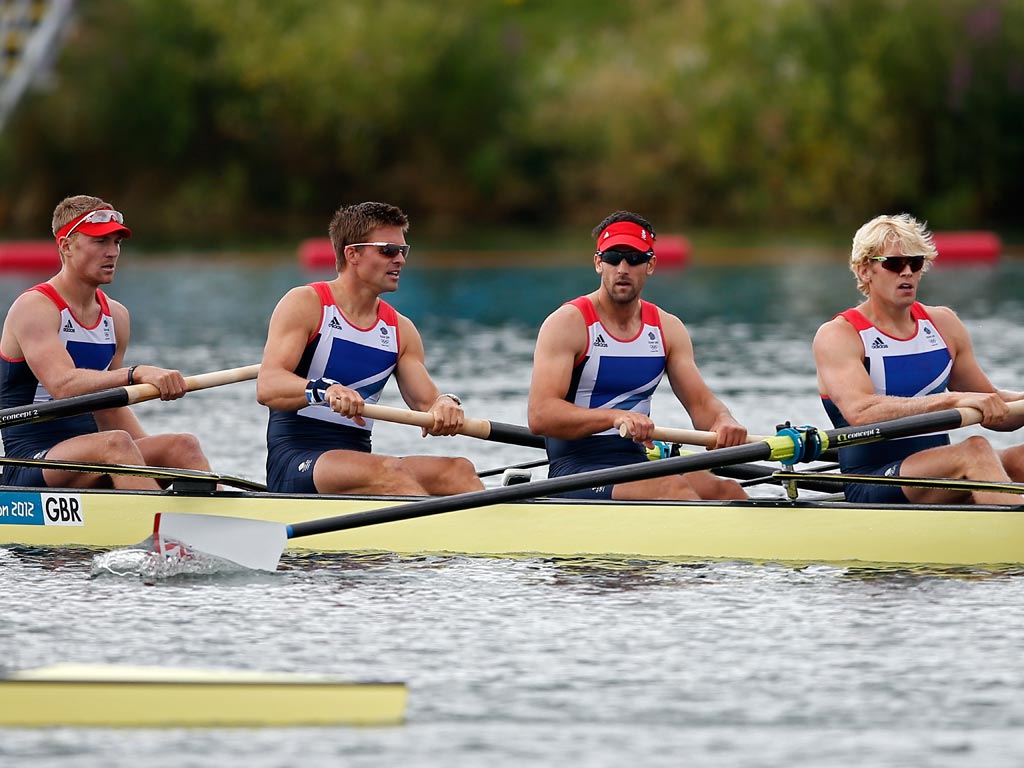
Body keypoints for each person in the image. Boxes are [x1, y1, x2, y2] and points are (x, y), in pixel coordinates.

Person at [257, 201, 483, 495]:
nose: (400, 260)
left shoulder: (400, 329)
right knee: (392, 473)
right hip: (298, 461)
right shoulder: (306, 304)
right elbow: (268, 385)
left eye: (403, 251)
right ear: (352, 254)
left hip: (359, 462)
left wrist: (446, 404)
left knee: (459, 471)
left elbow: (426, 403)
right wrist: (324, 389)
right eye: (388, 250)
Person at [527, 210, 748, 500]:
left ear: (651, 265)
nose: (622, 268)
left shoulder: (668, 328)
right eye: (612, 257)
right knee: (673, 489)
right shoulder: (568, 324)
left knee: (725, 489)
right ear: (598, 263)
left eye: (633, 259)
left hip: (635, 463)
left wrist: (723, 420)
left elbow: (701, 403)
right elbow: (540, 415)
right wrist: (614, 417)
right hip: (576, 470)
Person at [0, 195, 211, 489]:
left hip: (97, 451)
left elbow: (109, 406)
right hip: (31, 461)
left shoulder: (117, 316)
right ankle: (159, 528)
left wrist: (148, 456)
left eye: (117, 243)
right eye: (100, 242)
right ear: (66, 246)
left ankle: (220, 523)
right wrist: (136, 374)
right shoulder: (35, 308)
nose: (112, 252)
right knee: (116, 444)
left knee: (183, 446)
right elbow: (62, 386)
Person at [813, 212, 1024, 505]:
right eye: (895, 263)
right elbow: (861, 412)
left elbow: (995, 408)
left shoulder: (944, 324)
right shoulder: (839, 335)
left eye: (915, 263)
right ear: (864, 271)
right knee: (975, 450)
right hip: (872, 480)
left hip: (940, 473)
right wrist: (952, 400)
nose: (907, 272)